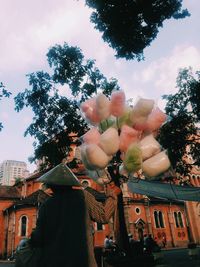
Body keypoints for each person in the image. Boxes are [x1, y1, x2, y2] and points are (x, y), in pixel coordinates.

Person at [29, 163, 121, 267]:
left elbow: (37, 238)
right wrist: (112, 195)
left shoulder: (46, 205)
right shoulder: (83, 196)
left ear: (51, 185)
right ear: (71, 184)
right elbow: (103, 216)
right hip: (82, 261)